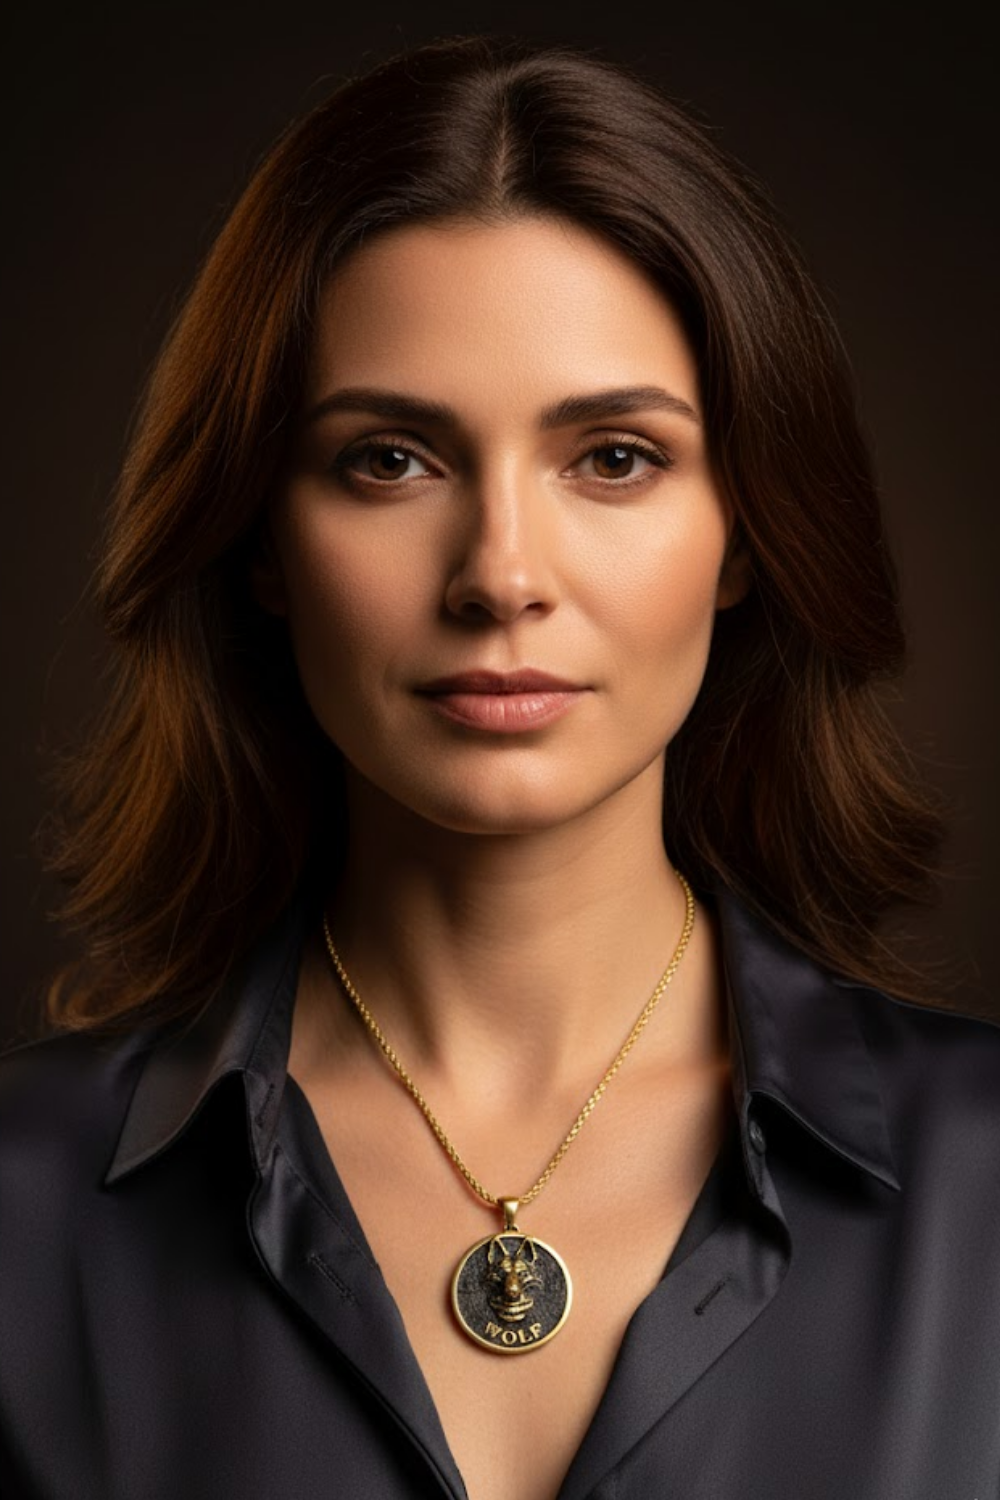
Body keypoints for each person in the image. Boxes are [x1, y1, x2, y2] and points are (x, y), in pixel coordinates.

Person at [1, 32, 998, 1500]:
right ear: (261, 545)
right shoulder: (20, 1212)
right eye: (391, 460)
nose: (501, 576)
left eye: (613, 458)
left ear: (749, 534)